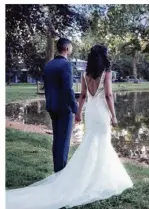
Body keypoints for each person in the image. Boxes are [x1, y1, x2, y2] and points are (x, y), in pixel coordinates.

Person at [6, 45, 133, 209]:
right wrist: (114, 116)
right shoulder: (106, 73)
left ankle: (91, 177)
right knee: (102, 143)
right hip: (101, 112)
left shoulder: (85, 74)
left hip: (91, 112)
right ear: (104, 57)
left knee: (91, 143)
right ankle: (99, 179)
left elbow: (82, 97)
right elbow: (108, 95)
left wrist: (79, 114)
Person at [43, 38, 77, 173]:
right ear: (67, 49)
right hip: (64, 108)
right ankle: (61, 173)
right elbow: (68, 89)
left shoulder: (49, 65)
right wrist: (75, 108)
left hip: (52, 106)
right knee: (63, 141)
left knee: (57, 139)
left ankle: (57, 170)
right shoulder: (66, 65)